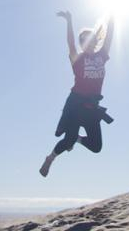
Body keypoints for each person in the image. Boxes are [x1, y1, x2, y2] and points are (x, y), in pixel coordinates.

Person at [40, 12, 114, 177]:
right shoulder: (77, 58)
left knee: (96, 147)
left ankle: (78, 139)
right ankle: (50, 158)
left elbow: (109, 37)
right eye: (83, 41)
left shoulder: (102, 56)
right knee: (68, 139)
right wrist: (69, 21)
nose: (86, 43)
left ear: (95, 41)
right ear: (81, 44)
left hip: (92, 108)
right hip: (76, 106)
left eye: (90, 39)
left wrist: (112, 18)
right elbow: (70, 43)